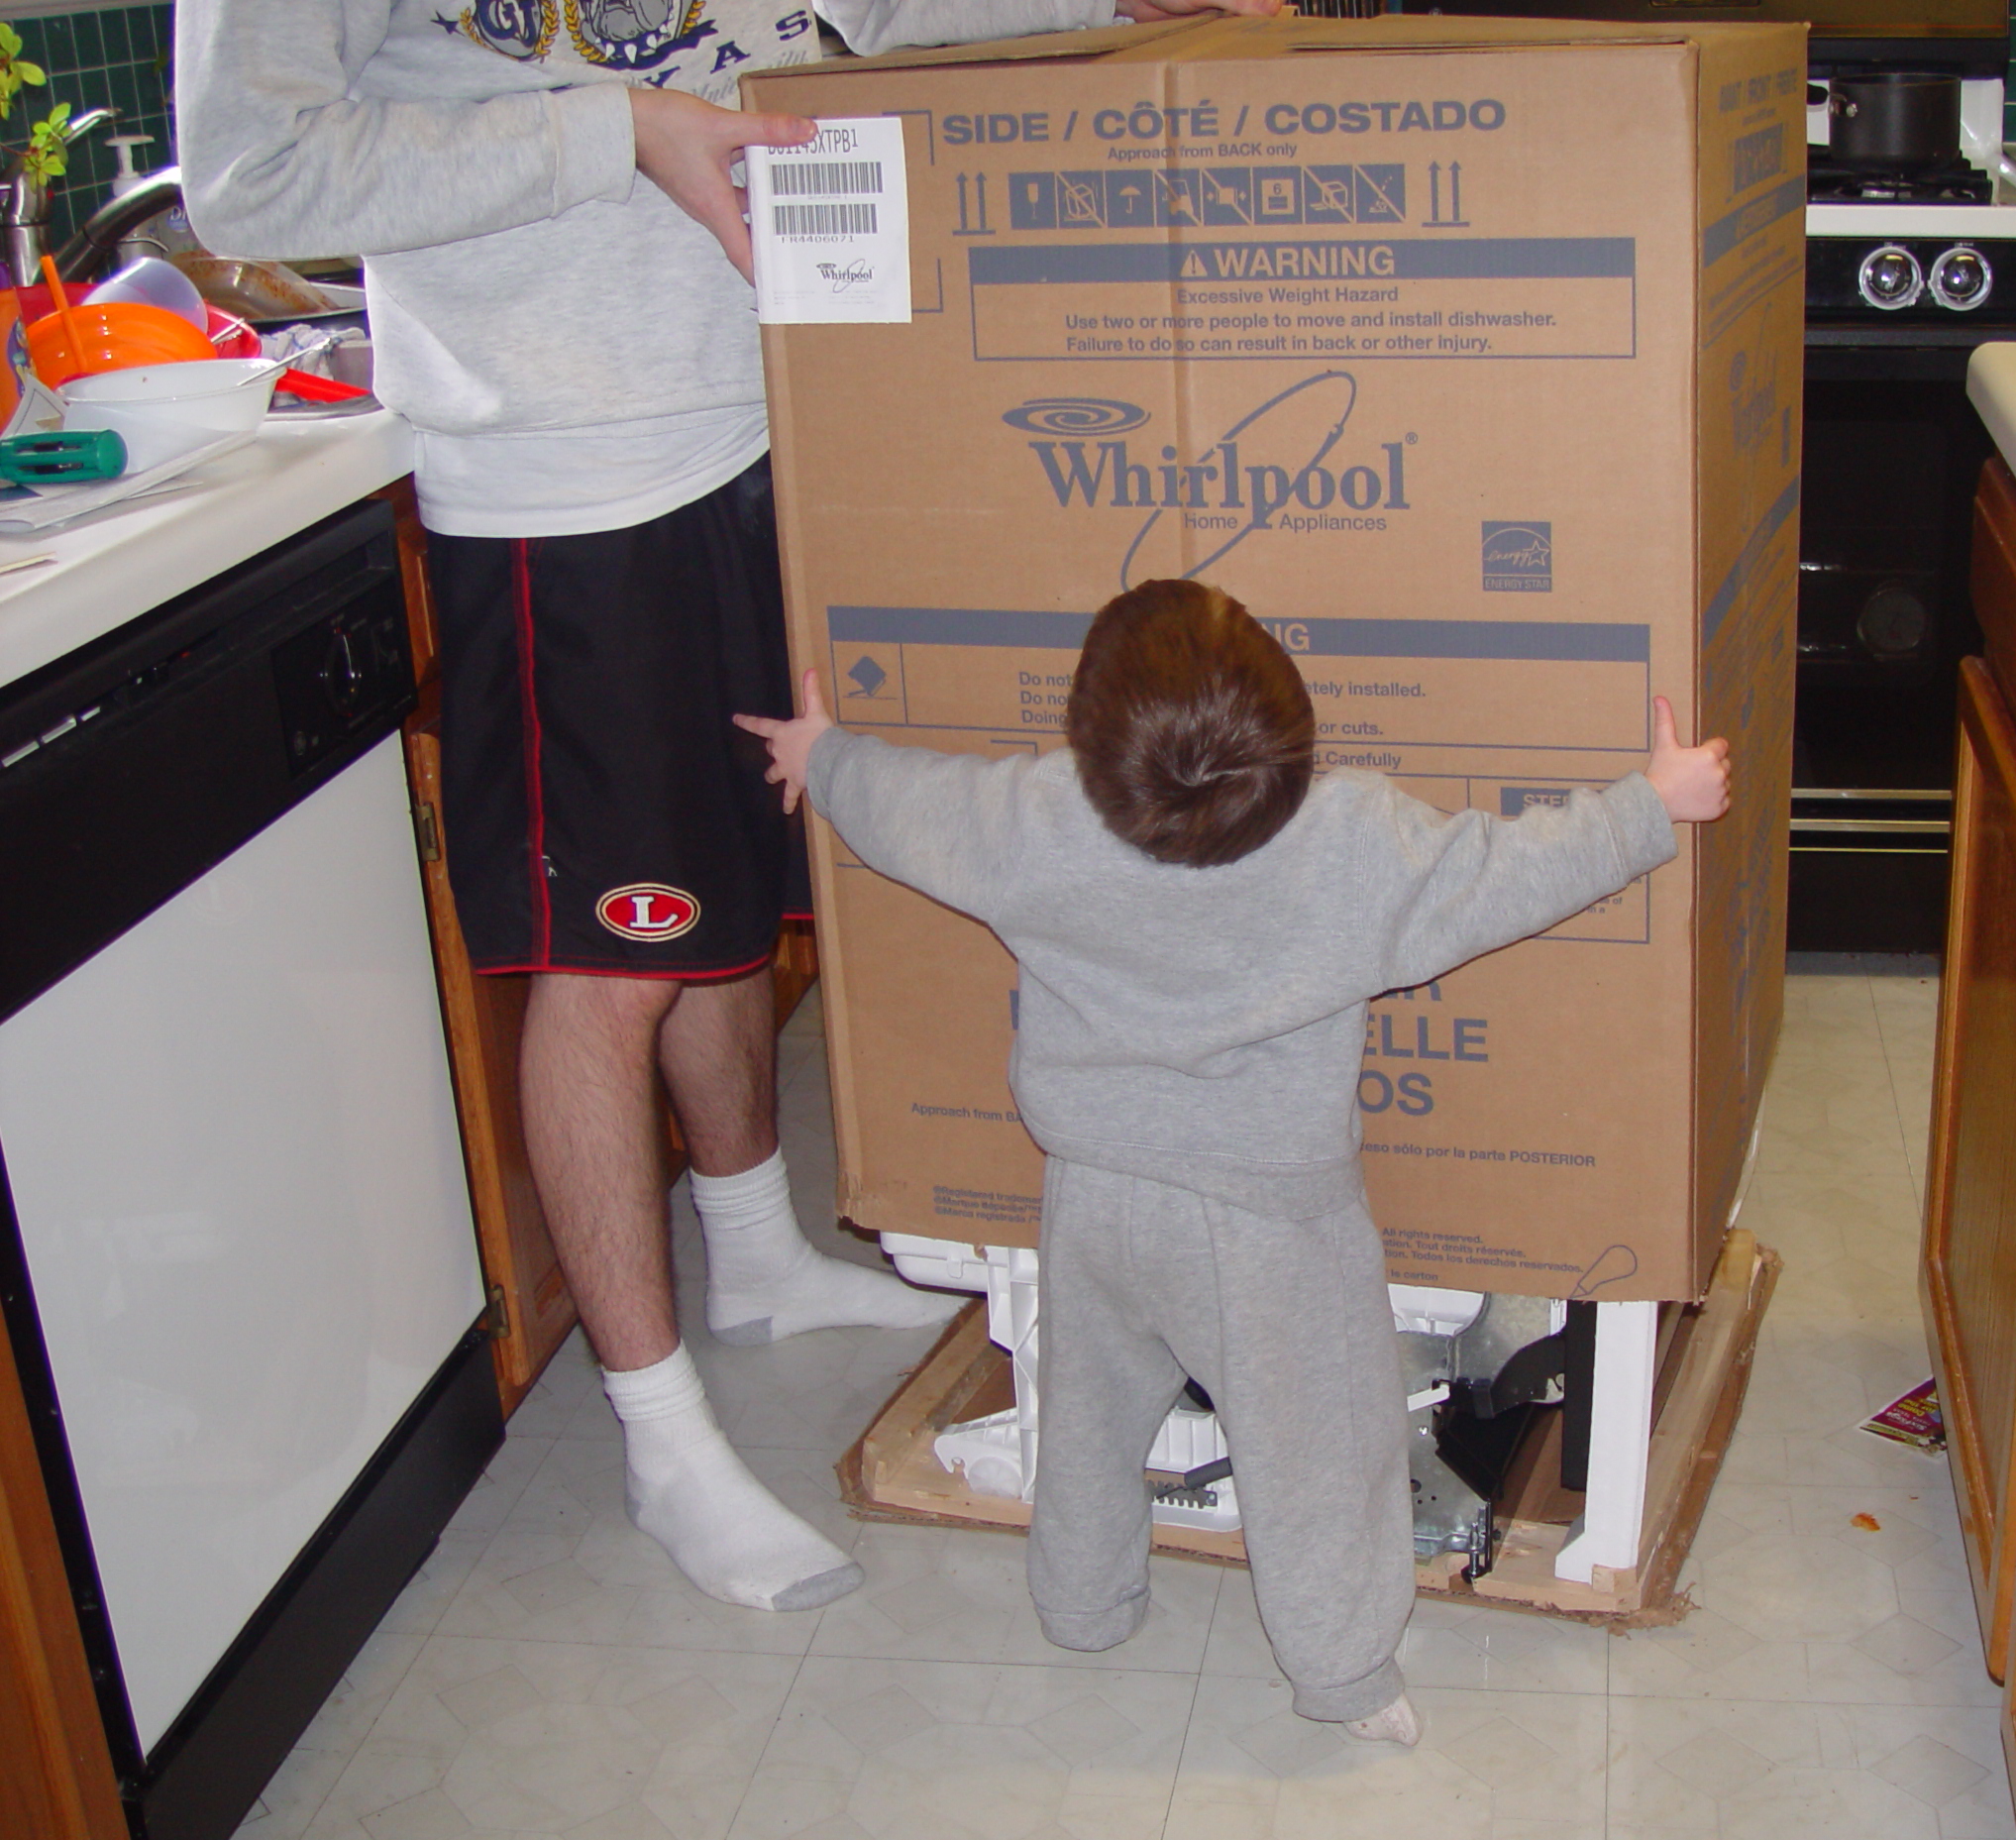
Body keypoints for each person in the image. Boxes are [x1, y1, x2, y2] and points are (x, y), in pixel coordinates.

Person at [174, 0, 1279, 1617]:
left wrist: (1114, 7)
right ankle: (658, 1433)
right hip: (566, 473)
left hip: (768, 419)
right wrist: (615, 132)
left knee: (717, 889)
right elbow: (257, 178)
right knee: (609, 957)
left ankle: (754, 1251)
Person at [739, 579, 1733, 1739]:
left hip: (1093, 1194)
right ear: (1293, 728)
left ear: (1085, 738)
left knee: (1089, 1416)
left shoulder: (1038, 815)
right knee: (1321, 1454)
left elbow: (917, 805)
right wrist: (1651, 804)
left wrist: (827, 756)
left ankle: (1082, 1604)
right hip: (1273, 1226)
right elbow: (1501, 873)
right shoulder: (1349, 837)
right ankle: (1344, 1675)